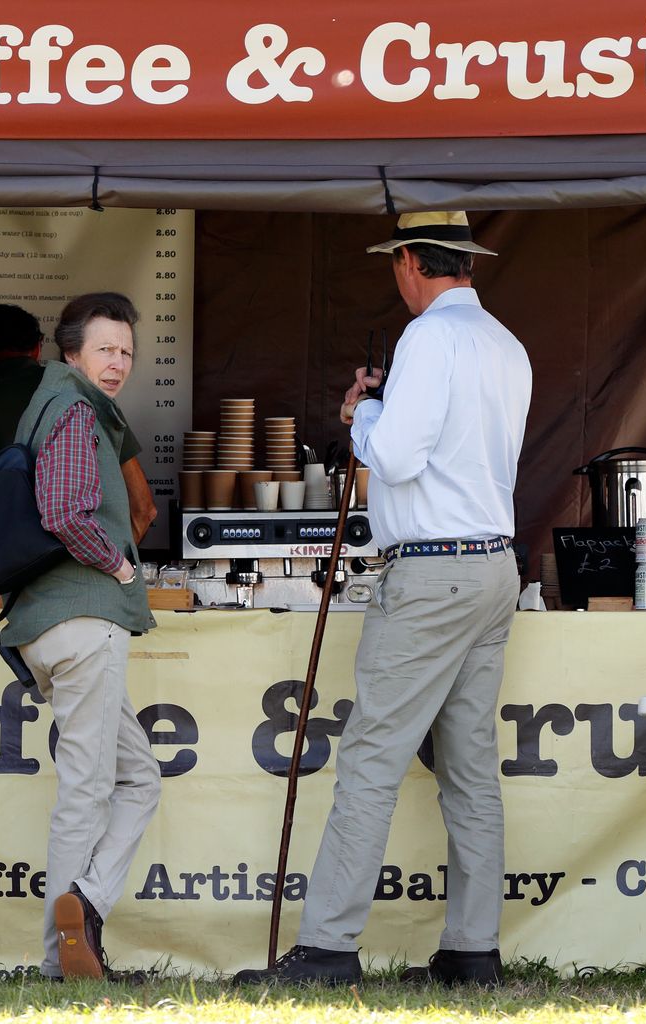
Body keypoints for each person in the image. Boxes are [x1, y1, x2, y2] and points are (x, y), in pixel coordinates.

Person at [234, 211, 532, 988]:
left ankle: (328, 948)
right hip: (492, 563)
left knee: (370, 759)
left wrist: (363, 412)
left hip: (431, 569)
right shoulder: (504, 342)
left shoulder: (427, 337)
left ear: (407, 262)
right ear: (460, 261)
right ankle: (473, 952)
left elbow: (396, 458)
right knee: (468, 770)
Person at [0, 292, 160, 981]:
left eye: (126, 351)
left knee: (140, 778)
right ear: (72, 351)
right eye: (105, 349)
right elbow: (66, 510)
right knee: (87, 792)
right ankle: (57, 960)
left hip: (58, 621)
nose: (118, 362)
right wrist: (118, 561)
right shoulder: (71, 408)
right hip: (85, 621)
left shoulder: (59, 402)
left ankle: (83, 909)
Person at [0, 302, 157, 542]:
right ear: (37, 348)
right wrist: (114, 568)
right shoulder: (86, 399)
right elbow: (143, 509)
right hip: (88, 569)